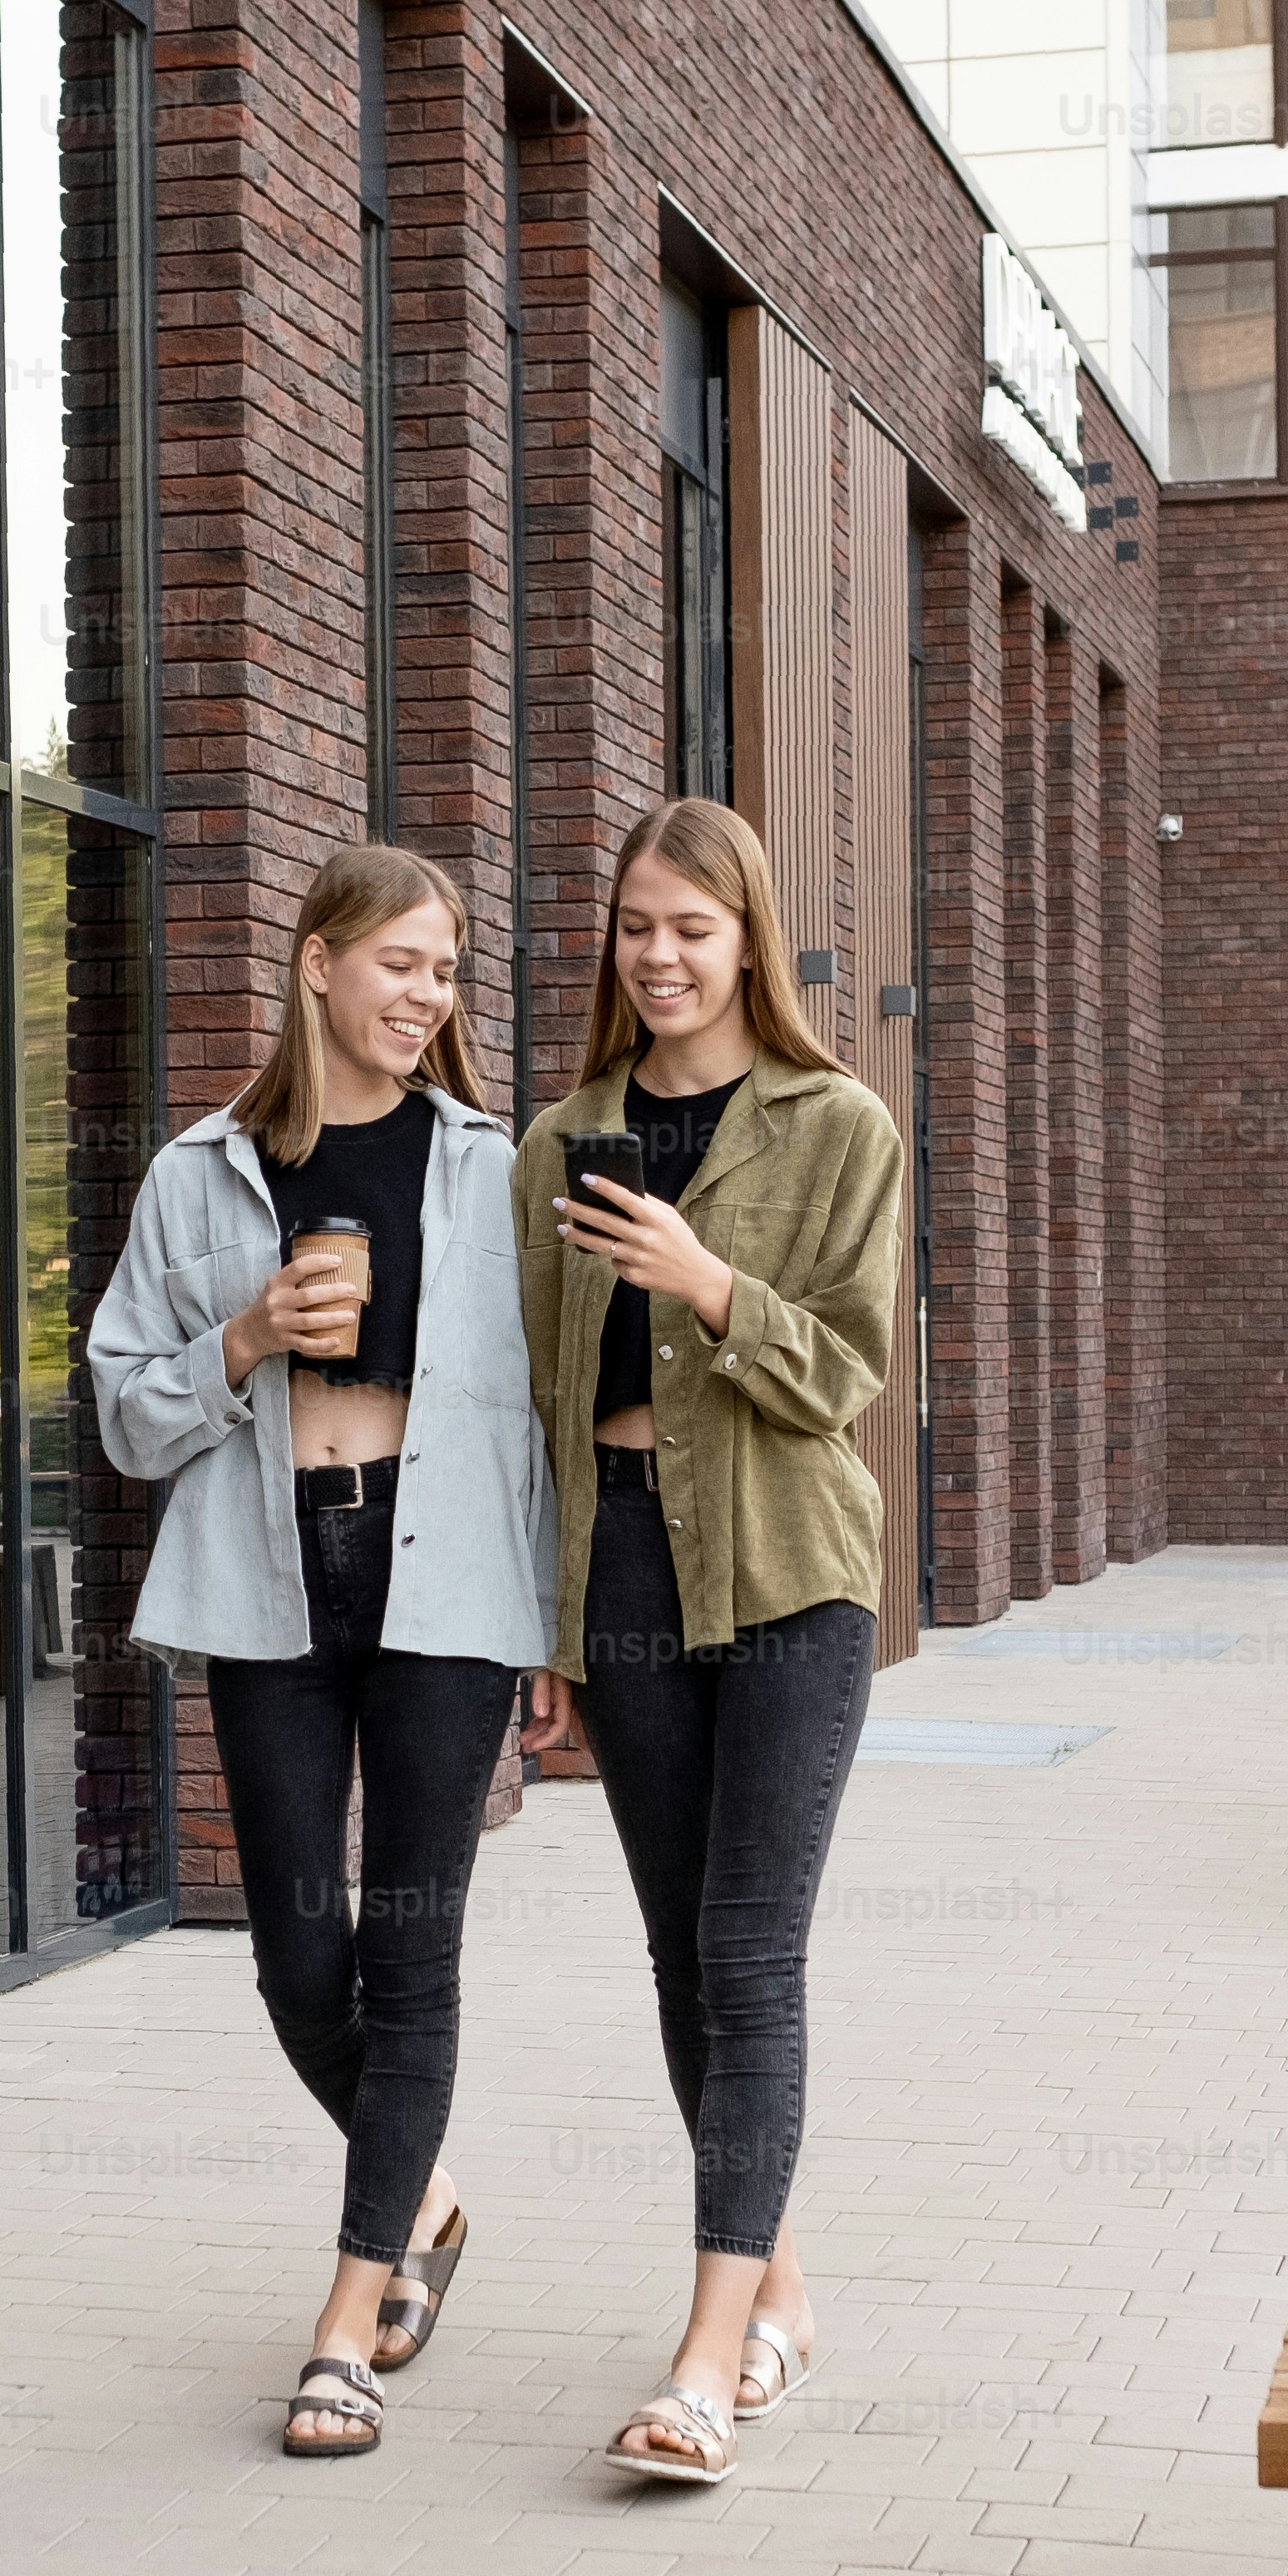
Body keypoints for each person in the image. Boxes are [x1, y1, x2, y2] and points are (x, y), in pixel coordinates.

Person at [89, 843, 555, 2461]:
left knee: (412, 1959)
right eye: (402, 965)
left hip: (446, 1593)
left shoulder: (492, 1169)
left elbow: (539, 1419)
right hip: (269, 1584)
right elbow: (125, 1415)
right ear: (316, 965)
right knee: (299, 1958)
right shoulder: (198, 1174)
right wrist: (244, 1339)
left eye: (448, 971)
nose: (428, 996)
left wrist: (552, 1622)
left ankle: (346, 2326)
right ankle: (421, 2198)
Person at [515, 797, 906, 2490]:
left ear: (748, 937)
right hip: (622, 1588)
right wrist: (542, 1624)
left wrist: (705, 1279)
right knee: (681, 1957)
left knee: (750, 1952)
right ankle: (782, 2292)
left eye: (692, 926)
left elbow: (848, 1374)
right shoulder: (559, 1142)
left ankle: (700, 2358)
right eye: (635, 928)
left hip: (789, 1582)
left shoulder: (837, 1126)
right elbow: (534, 1401)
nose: (660, 957)